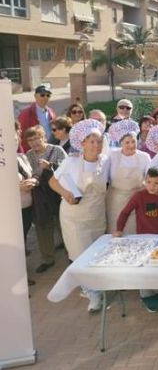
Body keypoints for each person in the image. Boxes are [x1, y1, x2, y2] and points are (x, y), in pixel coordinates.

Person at [49, 119, 108, 312]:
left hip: (97, 215)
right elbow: (52, 181)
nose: (96, 145)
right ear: (82, 143)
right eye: (91, 141)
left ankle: (97, 286)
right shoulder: (71, 161)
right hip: (74, 216)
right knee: (81, 255)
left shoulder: (106, 161)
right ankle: (92, 295)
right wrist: (64, 193)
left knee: (97, 254)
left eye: (99, 141)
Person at [113, 167, 158, 313]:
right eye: (148, 182)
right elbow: (125, 213)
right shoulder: (139, 196)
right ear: (145, 181)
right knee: (144, 266)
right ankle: (146, 296)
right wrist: (118, 229)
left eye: (156, 183)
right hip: (143, 238)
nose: (151, 186)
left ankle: (155, 291)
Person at [24, 125, 66, 273]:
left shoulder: (56, 150)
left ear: (44, 137)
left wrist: (51, 167)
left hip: (58, 193)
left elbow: (67, 170)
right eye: (30, 140)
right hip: (40, 196)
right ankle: (48, 258)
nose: (34, 143)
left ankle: (71, 255)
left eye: (37, 138)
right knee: (43, 226)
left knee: (63, 225)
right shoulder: (28, 155)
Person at [105, 120, 151, 235]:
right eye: (127, 142)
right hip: (115, 201)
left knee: (135, 232)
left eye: (133, 141)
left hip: (137, 200)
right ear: (120, 143)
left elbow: (149, 178)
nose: (131, 145)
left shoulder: (144, 157)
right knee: (116, 230)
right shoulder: (112, 156)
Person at [16, 122, 36, 285]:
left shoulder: (21, 157)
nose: (15, 142)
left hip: (27, 208)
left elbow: (33, 174)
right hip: (11, 211)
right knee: (15, 245)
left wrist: (34, 181)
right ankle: (17, 279)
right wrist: (17, 187)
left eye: (16, 139)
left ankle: (22, 275)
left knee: (22, 243)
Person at [18, 85, 56, 151]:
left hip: (48, 149)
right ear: (35, 96)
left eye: (48, 95)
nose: (45, 97)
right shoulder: (25, 113)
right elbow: (20, 135)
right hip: (32, 151)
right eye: (42, 95)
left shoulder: (51, 112)